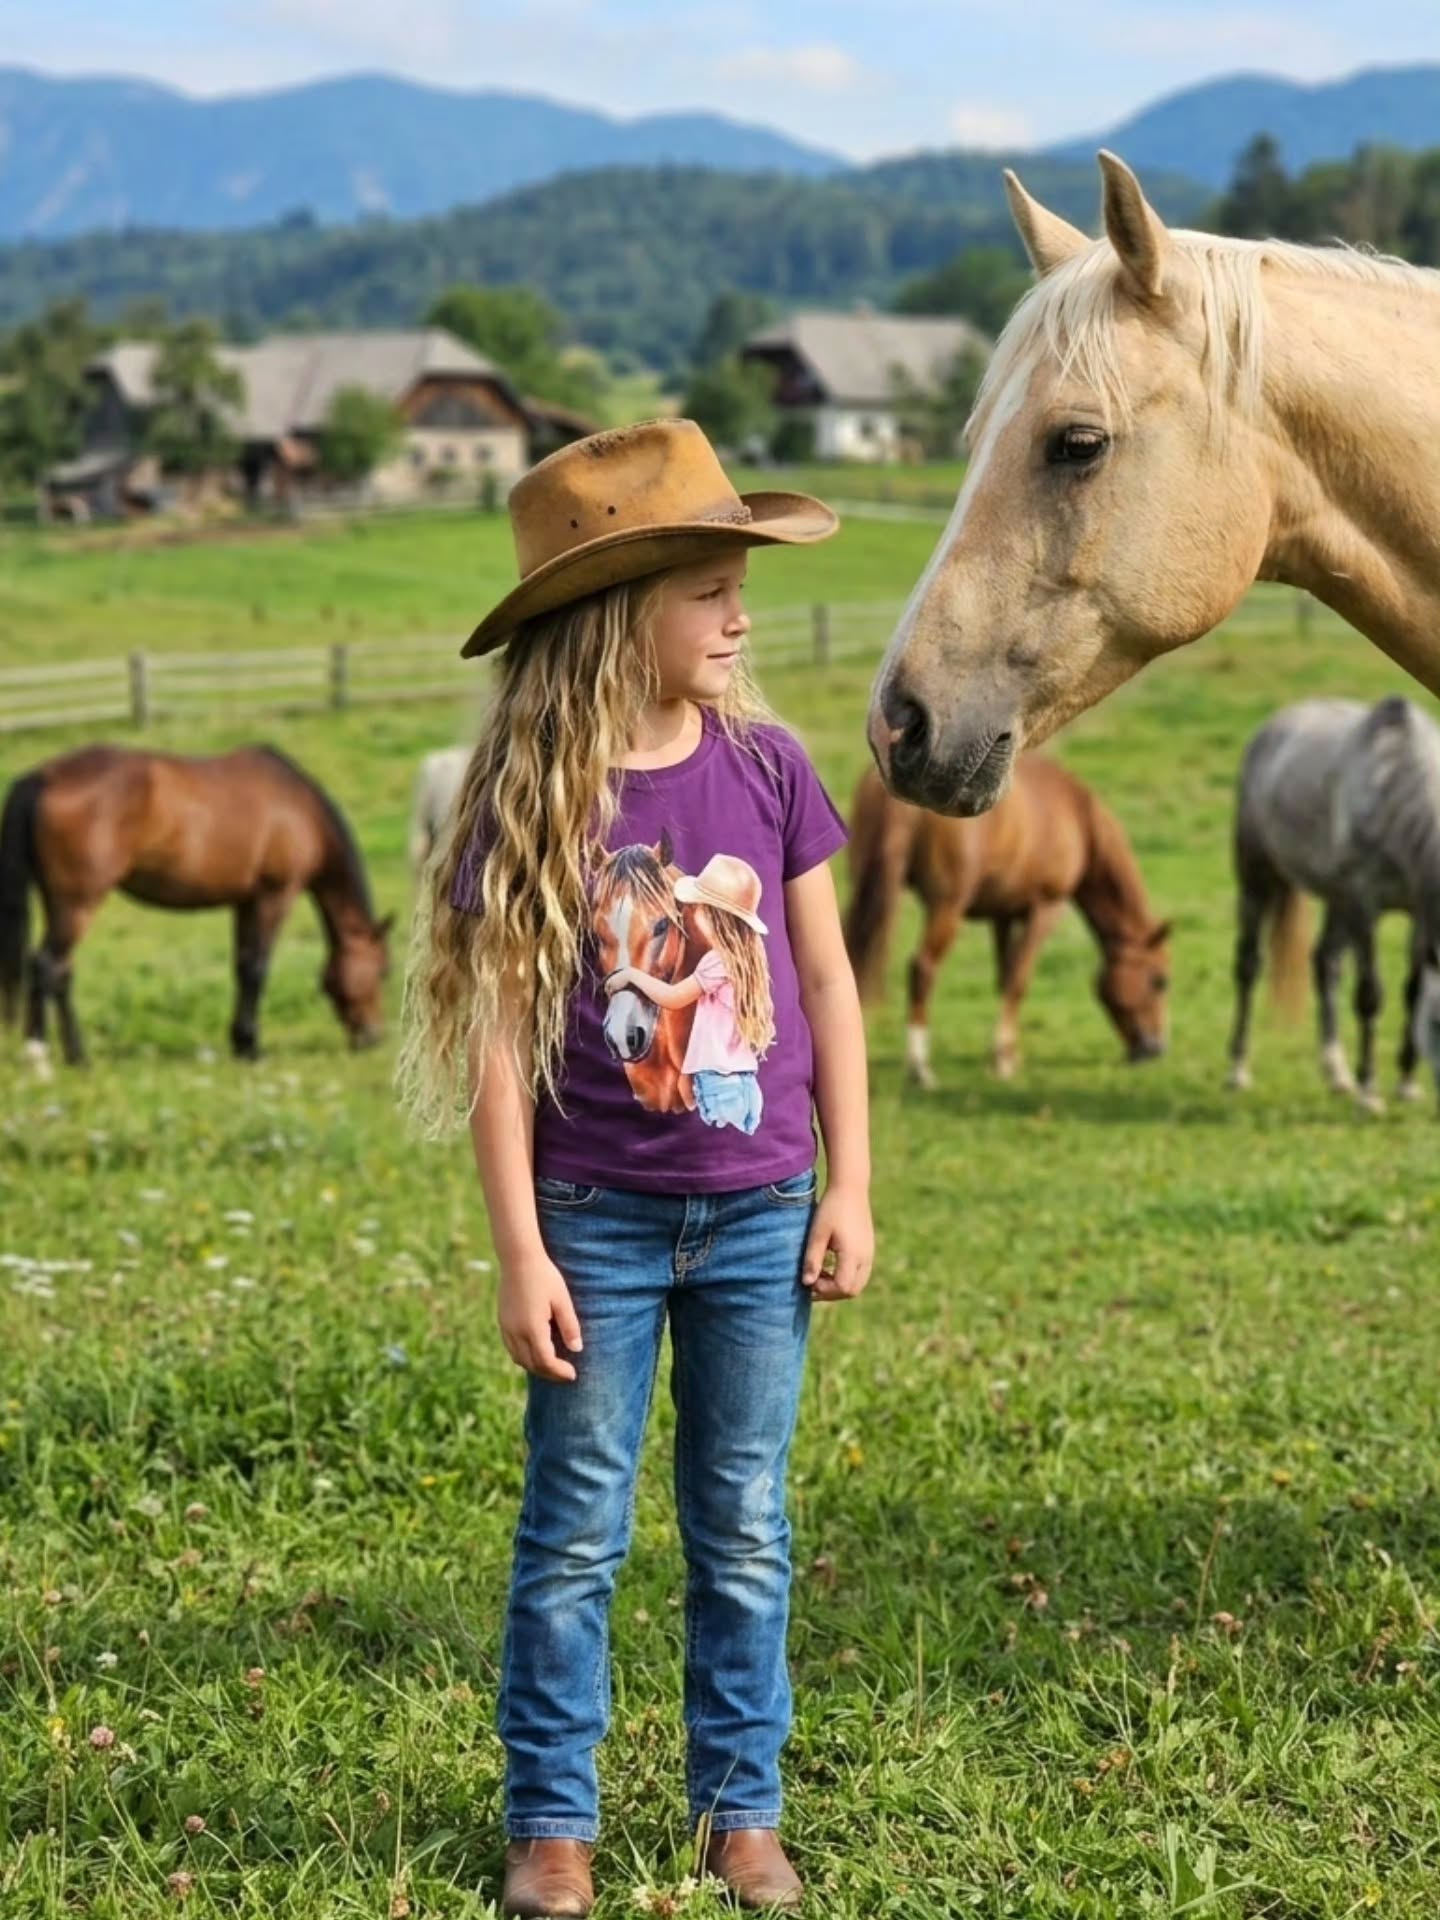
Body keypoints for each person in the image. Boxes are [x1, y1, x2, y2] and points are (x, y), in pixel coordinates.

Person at [400, 418, 873, 1918]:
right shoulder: (529, 799)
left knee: (742, 1521)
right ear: (619, 615)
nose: (741, 617)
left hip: (759, 1217)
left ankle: (743, 1811)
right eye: (709, 591)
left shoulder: (772, 770)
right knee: (576, 1532)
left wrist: (850, 1186)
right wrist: (519, 1251)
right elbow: (493, 1051)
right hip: (592, 1224)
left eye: (743, 586)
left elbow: (831, 986)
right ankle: (554, 1820)